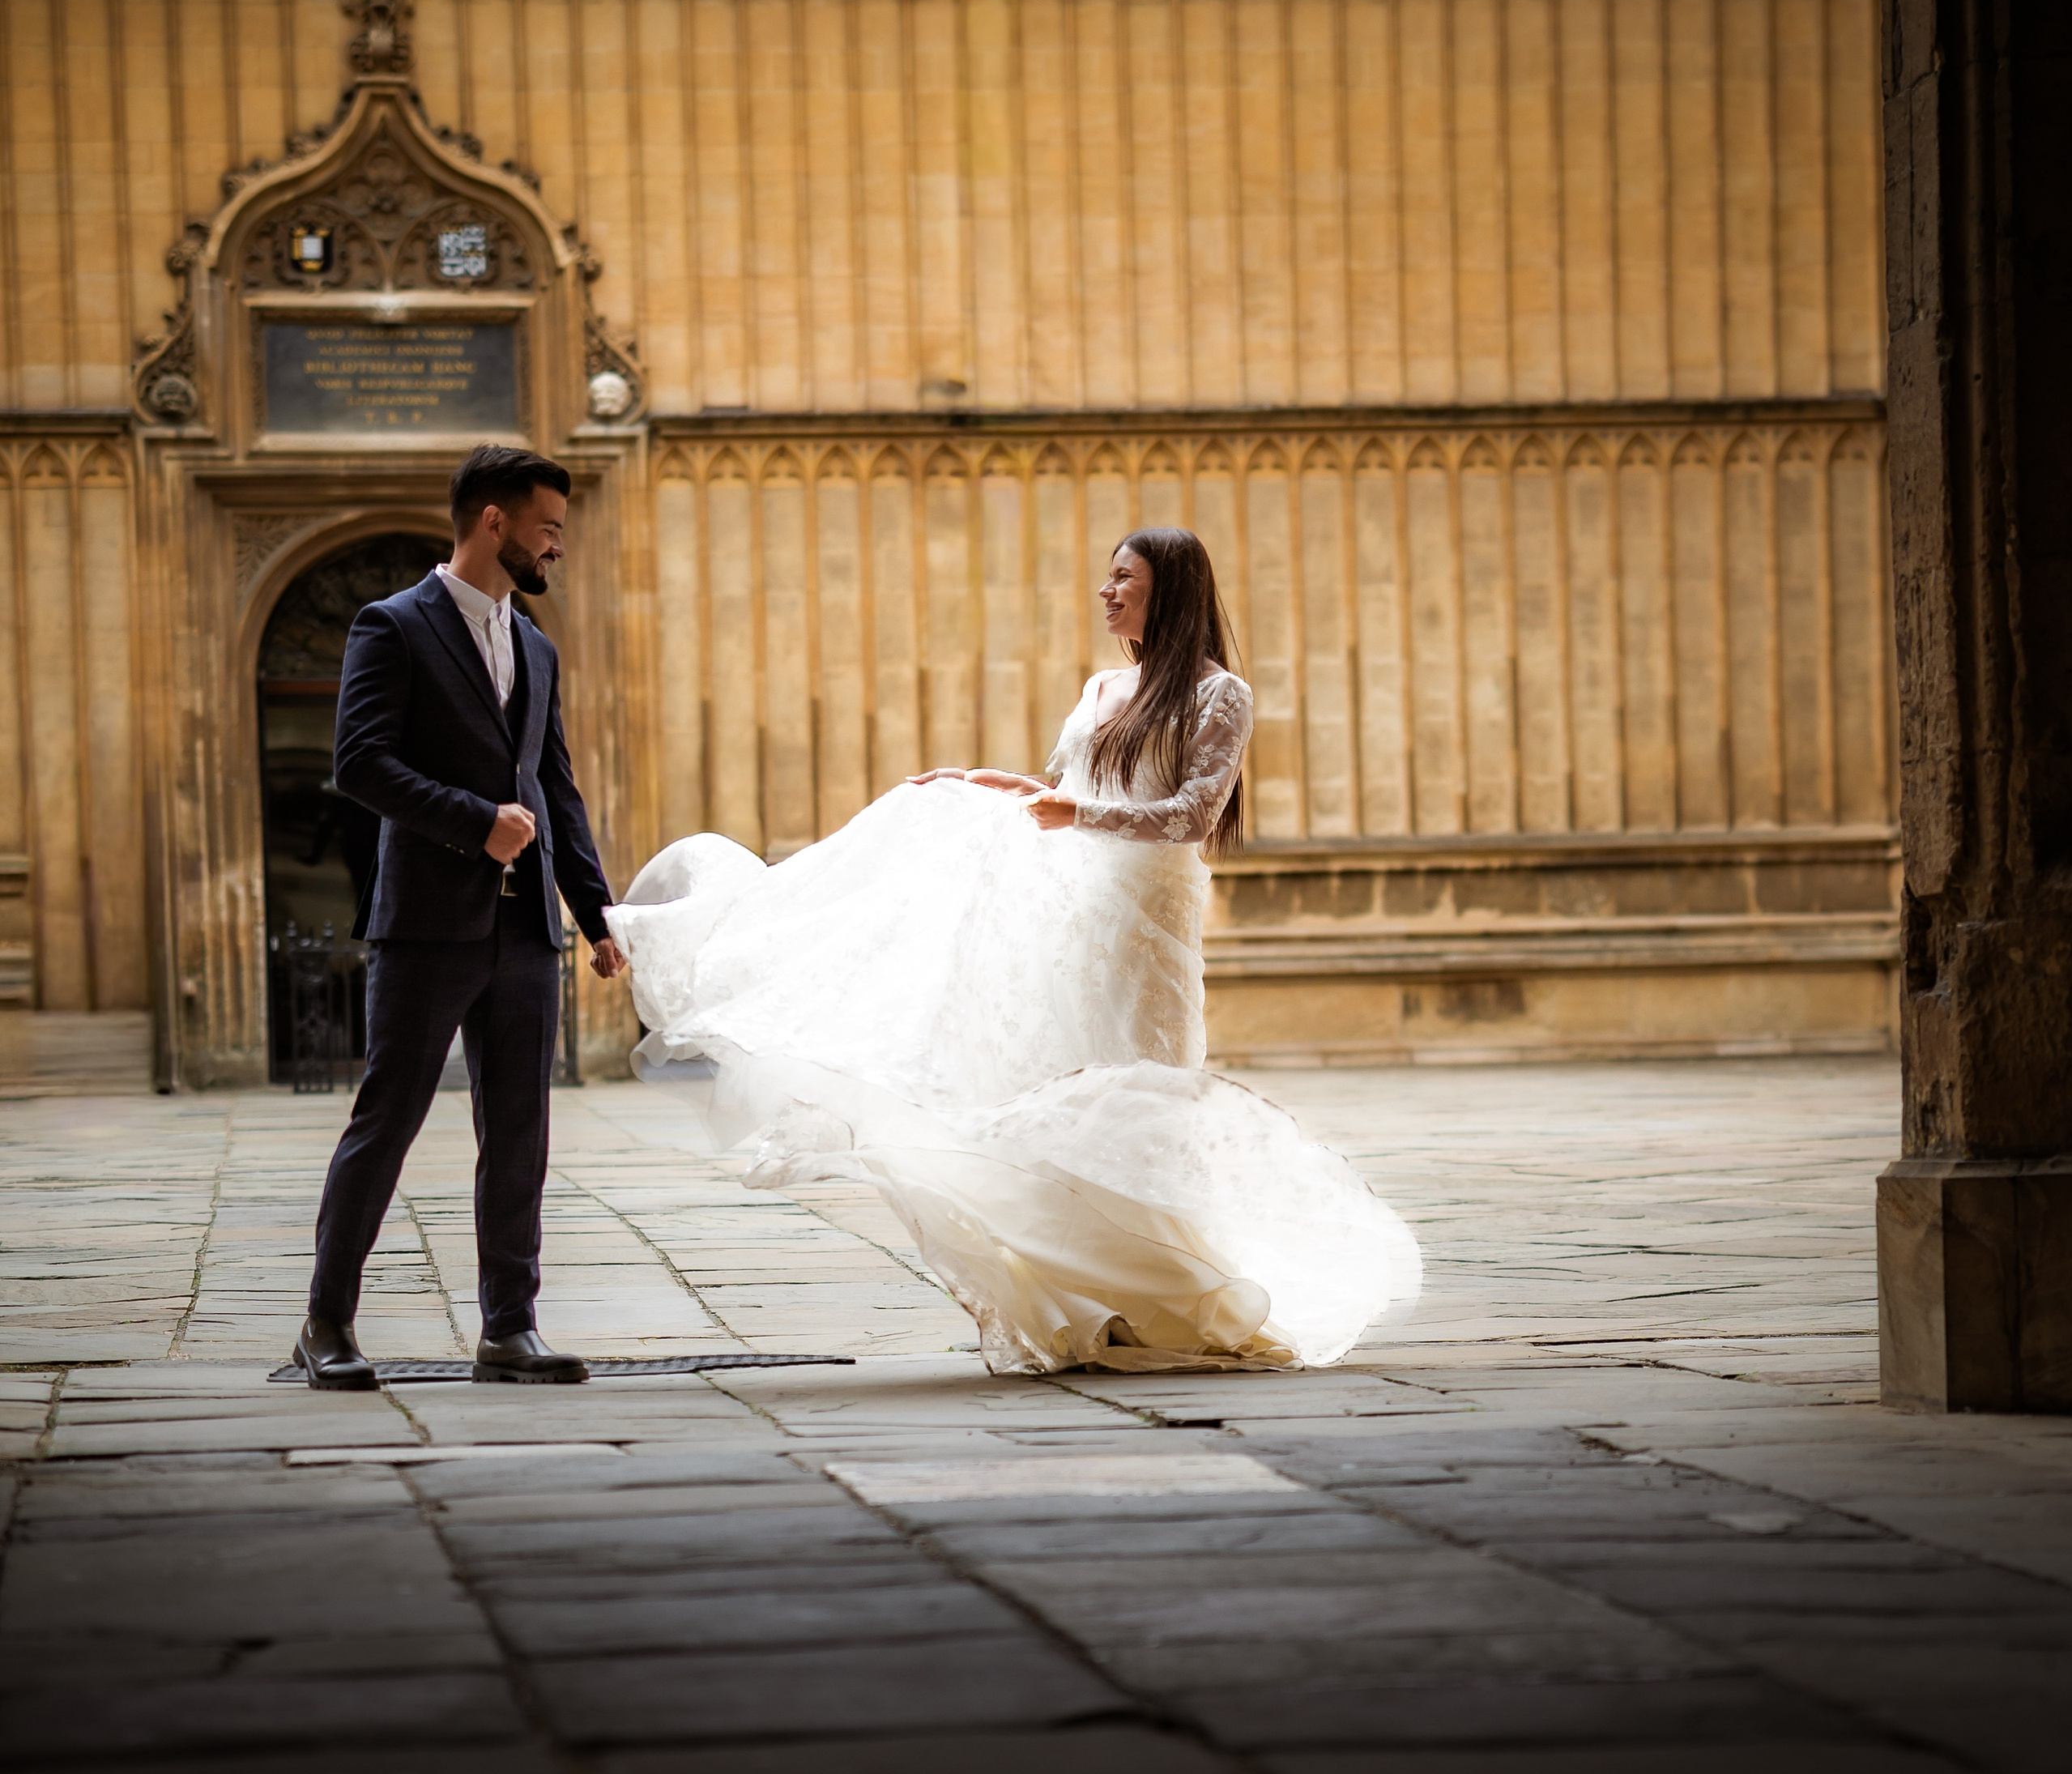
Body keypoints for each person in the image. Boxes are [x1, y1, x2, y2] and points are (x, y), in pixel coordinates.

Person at [607, 526, 1419, 1374]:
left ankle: (1167, 1288)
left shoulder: (1221, 695)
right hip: (1071, 915)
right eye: (1105, 577)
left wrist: (1079, 815)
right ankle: (1089, 1296)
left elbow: (1191, 815)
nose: (1106, 593)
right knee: (1058, 1081)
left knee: (1140, 1095)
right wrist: (1005, 787)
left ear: (1169, 589)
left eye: (1124, 579)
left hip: (1147, 927)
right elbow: (1073, 792)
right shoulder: (1104, 684)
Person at [294, 446, 629, 1389]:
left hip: (526, 931)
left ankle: (508, 1327)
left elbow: (553, 787)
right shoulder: (390, 625)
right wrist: (473, 822)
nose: (556, 546)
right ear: (494, 521)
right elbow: (358, 763)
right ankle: (325, 1322)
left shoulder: (536, 644)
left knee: (520, 1129)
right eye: (548, 528)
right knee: (387, 1118)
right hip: (427, 925)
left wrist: (595, 913)